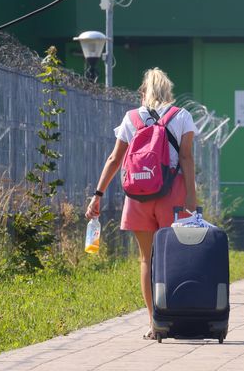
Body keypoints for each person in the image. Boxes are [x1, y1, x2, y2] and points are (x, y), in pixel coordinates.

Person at [85, 67, 199, 340]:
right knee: (176, 259)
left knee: (146, 259)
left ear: (144, 92)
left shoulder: (131, 117)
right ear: (168, 91)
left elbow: (114, 159)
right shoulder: (181, 116)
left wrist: (97, 195)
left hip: (137, 196)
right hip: (172, 195)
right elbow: (186, 159)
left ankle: (153, 322)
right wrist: (192, 200)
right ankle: (176, 317)